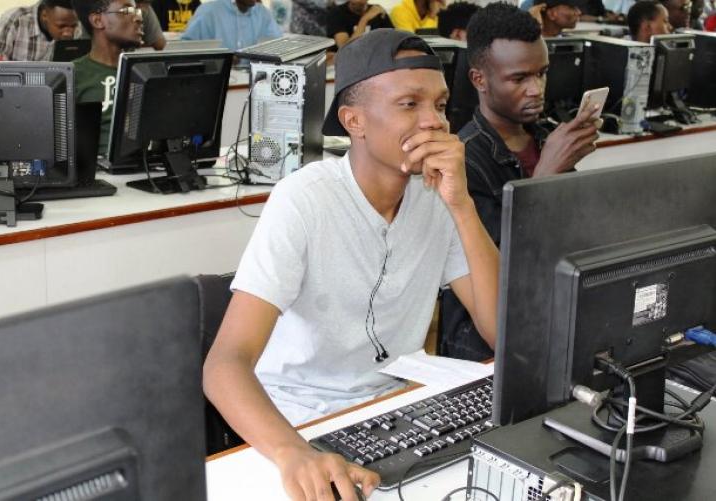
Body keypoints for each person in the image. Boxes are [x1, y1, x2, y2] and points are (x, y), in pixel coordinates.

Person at [203, 28, 499, 501]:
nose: (434, 122)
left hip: (395, 411)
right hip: (299, 423)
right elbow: (224, 365)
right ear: (354, 121)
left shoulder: (439, 197)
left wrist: (462, 206)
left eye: (441, 106)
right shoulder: (304, 200)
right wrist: (293, 453)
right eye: (410, 104)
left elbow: (501, 332)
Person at [439, 3, 600, 360]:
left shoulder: (545, 139)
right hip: (483, 345)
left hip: (551, 314)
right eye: (519, 78)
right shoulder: (461, 161)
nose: (536, 89)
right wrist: (545, 175)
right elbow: (501, 265)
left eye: (542, 73)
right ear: (479, 80)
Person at [72, 0, 143, 156]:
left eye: (137, 11)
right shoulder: (72, 75)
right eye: (126, 11)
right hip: (96, 166)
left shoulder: (146, 72)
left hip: (146, 163)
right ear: (98, 21)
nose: (139, 18)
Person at [0, 0, 79, 61]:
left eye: (73, 26)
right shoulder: (15, 20)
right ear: (44, 15)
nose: (68, 33)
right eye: (61, 26)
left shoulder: (77, 25)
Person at [180, 0, 281, 50]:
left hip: (254, 80)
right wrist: (222, 60)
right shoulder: (208, 12)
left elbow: (278, 46)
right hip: (219, 80)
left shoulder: (263, 13)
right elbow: (186, 50)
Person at [326, 0, 393, 49]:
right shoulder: (337, 13)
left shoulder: (377, 10)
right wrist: (364, 19)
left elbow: (393, 40)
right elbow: (344, 48)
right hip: (346, 60)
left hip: (375, 57)